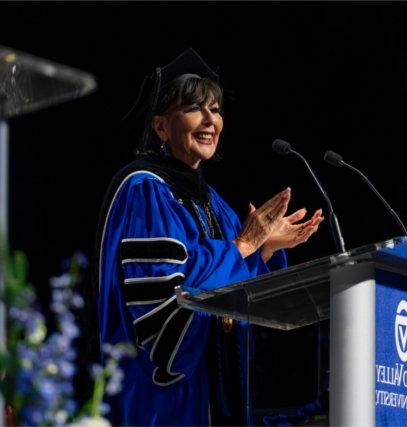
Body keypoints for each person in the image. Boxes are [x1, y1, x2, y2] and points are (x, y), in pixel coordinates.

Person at [93, 48, 324, 426]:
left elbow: (228, 283)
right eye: (194, 108)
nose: (209, 120)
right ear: (161, 126)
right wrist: (245, 246)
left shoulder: (216, 205)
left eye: (215, 109)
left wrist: (264, 251)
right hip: (162, 405)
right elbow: (164, 309)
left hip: (216, 401)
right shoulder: (145, 190)